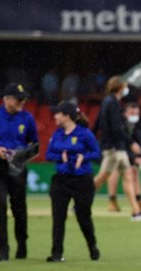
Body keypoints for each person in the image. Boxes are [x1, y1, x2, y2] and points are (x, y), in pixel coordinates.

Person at [0, 83, 38, 261]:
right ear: (6, 99)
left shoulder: (27, 118)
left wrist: (21, 155)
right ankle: (3, 249)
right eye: (19, 99)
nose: (22, 102)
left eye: (23, 98)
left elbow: (35, 145)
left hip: (17, 169)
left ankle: (22, 244)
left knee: (19, 208)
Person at [45, 101, 101, 262]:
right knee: (58, 217)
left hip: (82, 181)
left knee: (83, 216)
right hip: (61, 180)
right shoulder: (57, 134)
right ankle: (56, 253)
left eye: (58, 113)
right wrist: (60, 157)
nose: (55, 116)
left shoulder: (85, 134)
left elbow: (96, 153)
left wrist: (84, 157)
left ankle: (92, 246)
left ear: (66, 116)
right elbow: (49, 155)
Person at [92, 76, 141, 221]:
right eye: (125, 86)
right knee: (103, 177)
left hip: (116, 147)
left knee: (128, 176)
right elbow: (116, 128)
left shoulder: (108, 102)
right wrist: (131, 143)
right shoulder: (113, 103)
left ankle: (137, 212)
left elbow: (98, 122)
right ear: (119, 87)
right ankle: (81, 201)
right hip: (114, 147)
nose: (126, 89)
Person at [106, 102, 141, 213]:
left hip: (128, 154)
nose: (135, 115)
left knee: (134, 171)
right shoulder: (120, 125)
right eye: (132, 113)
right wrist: (134, 158)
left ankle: (138, 200)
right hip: (116, 150)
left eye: (137, 113)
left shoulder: (137, 125)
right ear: (125, 113)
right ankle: (112, 200)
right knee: (114, 172)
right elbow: (123, 143)